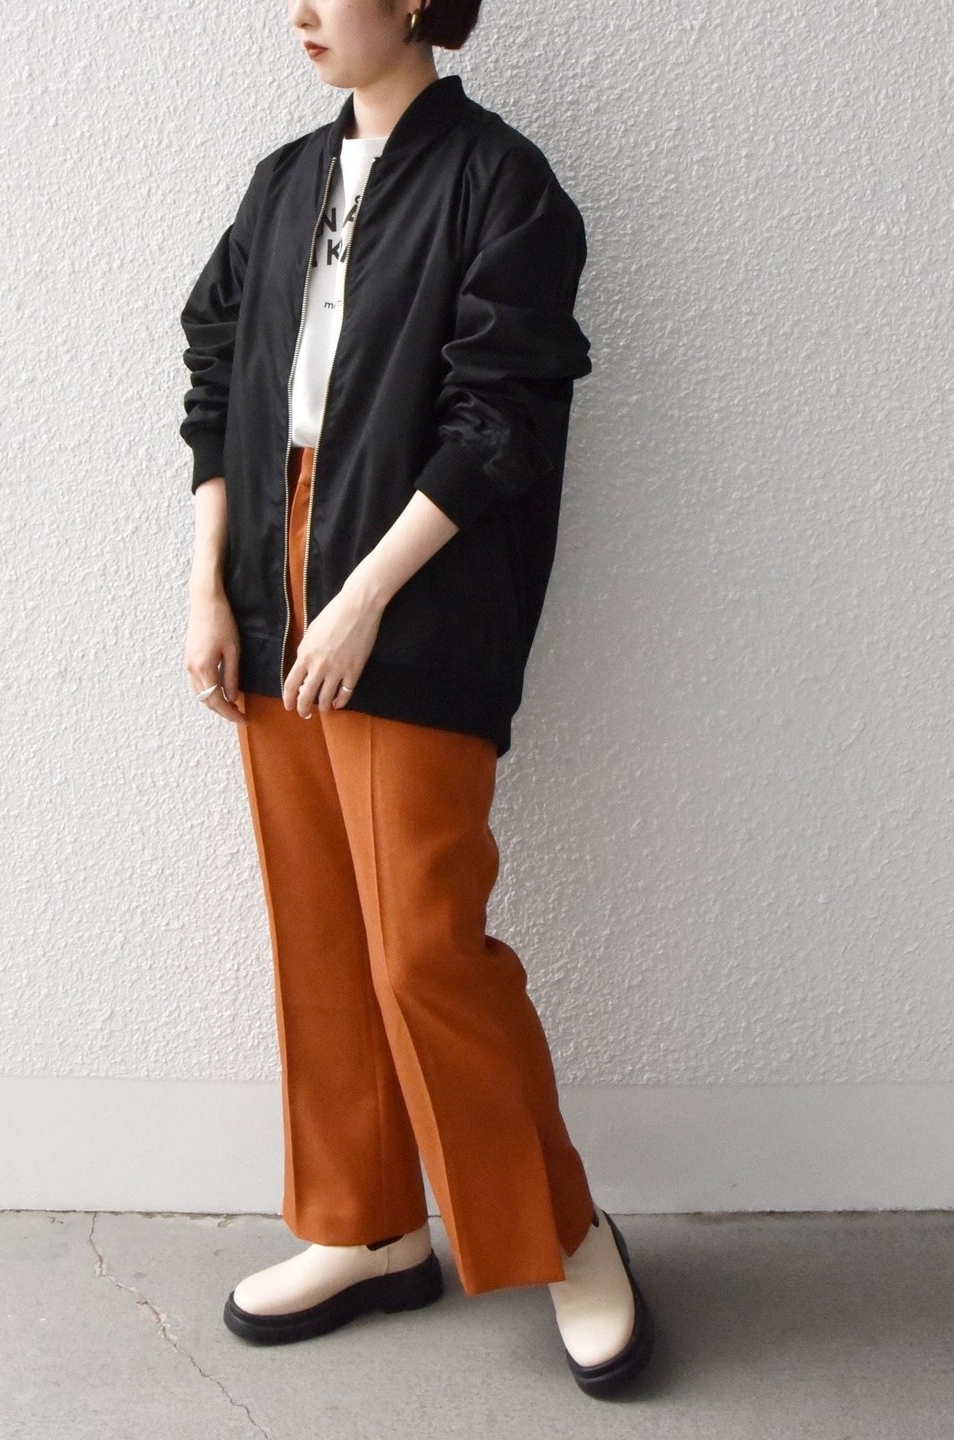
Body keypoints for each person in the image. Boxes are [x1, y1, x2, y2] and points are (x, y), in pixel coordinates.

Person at [179, 0, 655, 1401]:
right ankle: (368, 1227)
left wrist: (365, 596)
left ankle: (566, 1233)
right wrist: (208, 584)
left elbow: (504, 418)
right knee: (320, 930)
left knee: (422, 951)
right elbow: (215, 370)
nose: (303, 9)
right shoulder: (283, 183)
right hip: (269, 582)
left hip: (414, 590)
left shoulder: (502, 183)